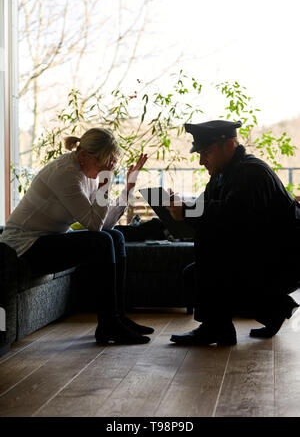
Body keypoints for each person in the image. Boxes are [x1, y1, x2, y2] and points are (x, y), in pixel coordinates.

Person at [0, 127, 154, 345]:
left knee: (115, 236)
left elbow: (105, 224)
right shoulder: (66, 173)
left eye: (109, 164)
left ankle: (117, 318)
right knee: (101, 241)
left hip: (48, 239)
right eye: (104, 163)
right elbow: (94, 226)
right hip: (23, 247)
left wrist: (127, 188)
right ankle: (109, 325)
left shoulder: (89, 173)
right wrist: (105, 183)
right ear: (84, 155)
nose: (106, 169)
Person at [166, 119, 300, 346]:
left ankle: (216, 329)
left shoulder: (252, 172)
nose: (200, 161)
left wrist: (187, 212)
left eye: (205, 153)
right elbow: (207, 208)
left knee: (211, 253)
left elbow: (229, 217)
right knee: (194, 274)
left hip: (285, 262)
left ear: (228, 145)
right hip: (262, 257)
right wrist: (177, 208)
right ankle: (274, 309)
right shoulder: (222, 174)